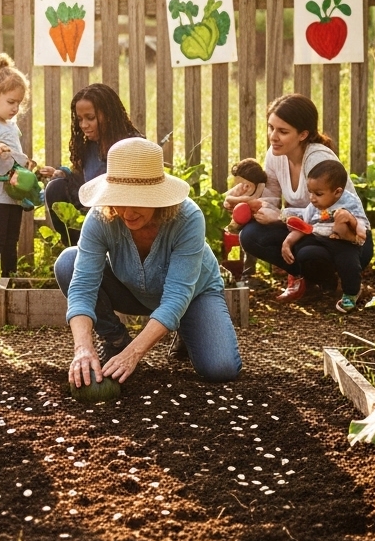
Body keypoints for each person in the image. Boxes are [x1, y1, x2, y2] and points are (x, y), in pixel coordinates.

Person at [55, 137, 242, 387]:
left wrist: (134, 354)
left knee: (220, 368)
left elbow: (177, 297)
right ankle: (115, 339)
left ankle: (187, 329)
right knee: (68, 262)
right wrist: (83, 348)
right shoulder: (100, 218)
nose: (128, 213)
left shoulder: (188, 218)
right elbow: (82, 287)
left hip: (192, 296)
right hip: (132, 289)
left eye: (139, 202)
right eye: (120, 200)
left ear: (157, 196)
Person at [239, 93, 373, 302]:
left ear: (303, 134)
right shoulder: (275, 155)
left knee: (306, 253)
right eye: (271, 127)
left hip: (343, 237)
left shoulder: (317, 158)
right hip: (307, 230)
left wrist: (281, 217)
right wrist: (247, 202)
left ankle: (341, 280)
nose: (273, 136)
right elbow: (271, 200)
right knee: (250, 235)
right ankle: (308, 279)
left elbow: (327, 214)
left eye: (282, 131)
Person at [0, 54, 55, 303]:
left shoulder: (11, 125)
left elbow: (13, 157)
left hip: (13, 193)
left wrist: (28, 165)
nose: (15, 108)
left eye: (19, 103)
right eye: (11, 102)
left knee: (11, 240)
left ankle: (9, 281)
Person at [44, 83, 141, 246]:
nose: (83, 125)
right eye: (80, 119)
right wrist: (63, 175)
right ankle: (75, 248)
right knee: (55, 187)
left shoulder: (131, 145)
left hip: (123, 224)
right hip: (92, 218)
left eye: (90, 118)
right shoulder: (88, 147)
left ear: (108, 116)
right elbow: (82, 184)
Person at [281, 160, 370, 313]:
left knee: (348, 261)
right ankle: (326, 283)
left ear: (337, 192)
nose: (312, 198)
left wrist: (355, 227)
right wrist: (287, 243)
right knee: (304, 252)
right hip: (319, 238)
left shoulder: (349, 201)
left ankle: (351, 293)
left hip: (343, 241)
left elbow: (361, 224)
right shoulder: (313, 206)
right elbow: (305, 227)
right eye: (310, 192)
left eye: (318, 194)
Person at [223, 158, 267, 233]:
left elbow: (262, 205)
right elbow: (226, 199)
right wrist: (238, 201)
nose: (245, 186)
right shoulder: (239, 188)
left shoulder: (261, 189)